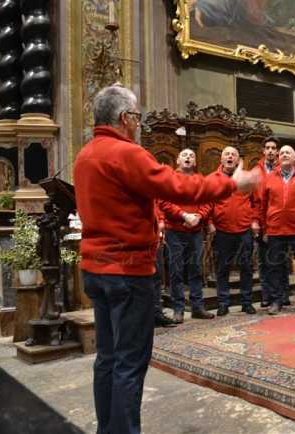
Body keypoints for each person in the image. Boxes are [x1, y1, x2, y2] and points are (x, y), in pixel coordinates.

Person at [73, 85, 258, 434]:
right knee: (129, 362)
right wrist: (232, 185)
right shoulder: (125, 153)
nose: (137, 123)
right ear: (125, 118)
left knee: (107, 358)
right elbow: (179, 187)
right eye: (136, 117)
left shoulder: (85, 155)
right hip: (128, 270)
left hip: (96, 269)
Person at [158, 149, 214, 324]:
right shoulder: (170, 178)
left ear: (195, 162)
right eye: (184, 155)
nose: (188, 157)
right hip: (175, 231)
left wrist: (198, 217)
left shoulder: (201, 180)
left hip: (195, 231)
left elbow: (208, 202)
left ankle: (197, 307)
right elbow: (163, 202)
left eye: (191, 156)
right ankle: (178, 309)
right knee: (176, 272)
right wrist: (183, 215)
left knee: (196, 270)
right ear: (178, 160)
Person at [261, 145, 295, 314]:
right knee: (275, 267)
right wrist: (265, 228)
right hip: (275, 230)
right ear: (279, 158)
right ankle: (276, 301)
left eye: (288, 152)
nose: (284, 154)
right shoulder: (269, 177)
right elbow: (263, 205)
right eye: (282, 153)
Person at [208, 146, 259, 316]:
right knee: (222, 268)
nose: (230, 157)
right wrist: (209, 223)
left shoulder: (246, 178)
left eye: (233, 154)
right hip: (222, 230)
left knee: (246, 267)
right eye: (226, 154)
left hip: (244, 230)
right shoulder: (212, 179)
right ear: (221, 159)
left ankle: (246, 302)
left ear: (238, 160)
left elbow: (256, 202)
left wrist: (254, 220)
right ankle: (223, 303)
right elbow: (207, 203)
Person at [254, 137, 291, 307]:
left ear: (277, 151)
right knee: (264, 261)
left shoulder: (284, 169)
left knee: (281, 260)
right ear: (263, 151)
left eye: (273, 148)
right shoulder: (256, 171)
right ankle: (267, 295)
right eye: (267, 147)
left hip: (279, 223)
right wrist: (255, 221)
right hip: (262, 222)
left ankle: (284, 294)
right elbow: (253, 200)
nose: (270, 150)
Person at [153, 203, 176, 327]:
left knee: (156, 279)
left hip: (154, 241)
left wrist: (161, 220)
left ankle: (157, 314)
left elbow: (156, 206)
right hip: (137, 243)